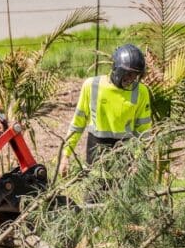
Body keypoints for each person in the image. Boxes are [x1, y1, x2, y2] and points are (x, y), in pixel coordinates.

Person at [58, 44, 153, 175]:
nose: (131, 79)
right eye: (128, 74)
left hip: (124, 159)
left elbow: (143, 131)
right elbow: (77, 124)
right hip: (95, 157)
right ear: (116, 69)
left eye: (135, 75)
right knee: (93, 194)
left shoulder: (141, 92)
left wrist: (138, 159)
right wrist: (65, 156)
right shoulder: (92, 86)